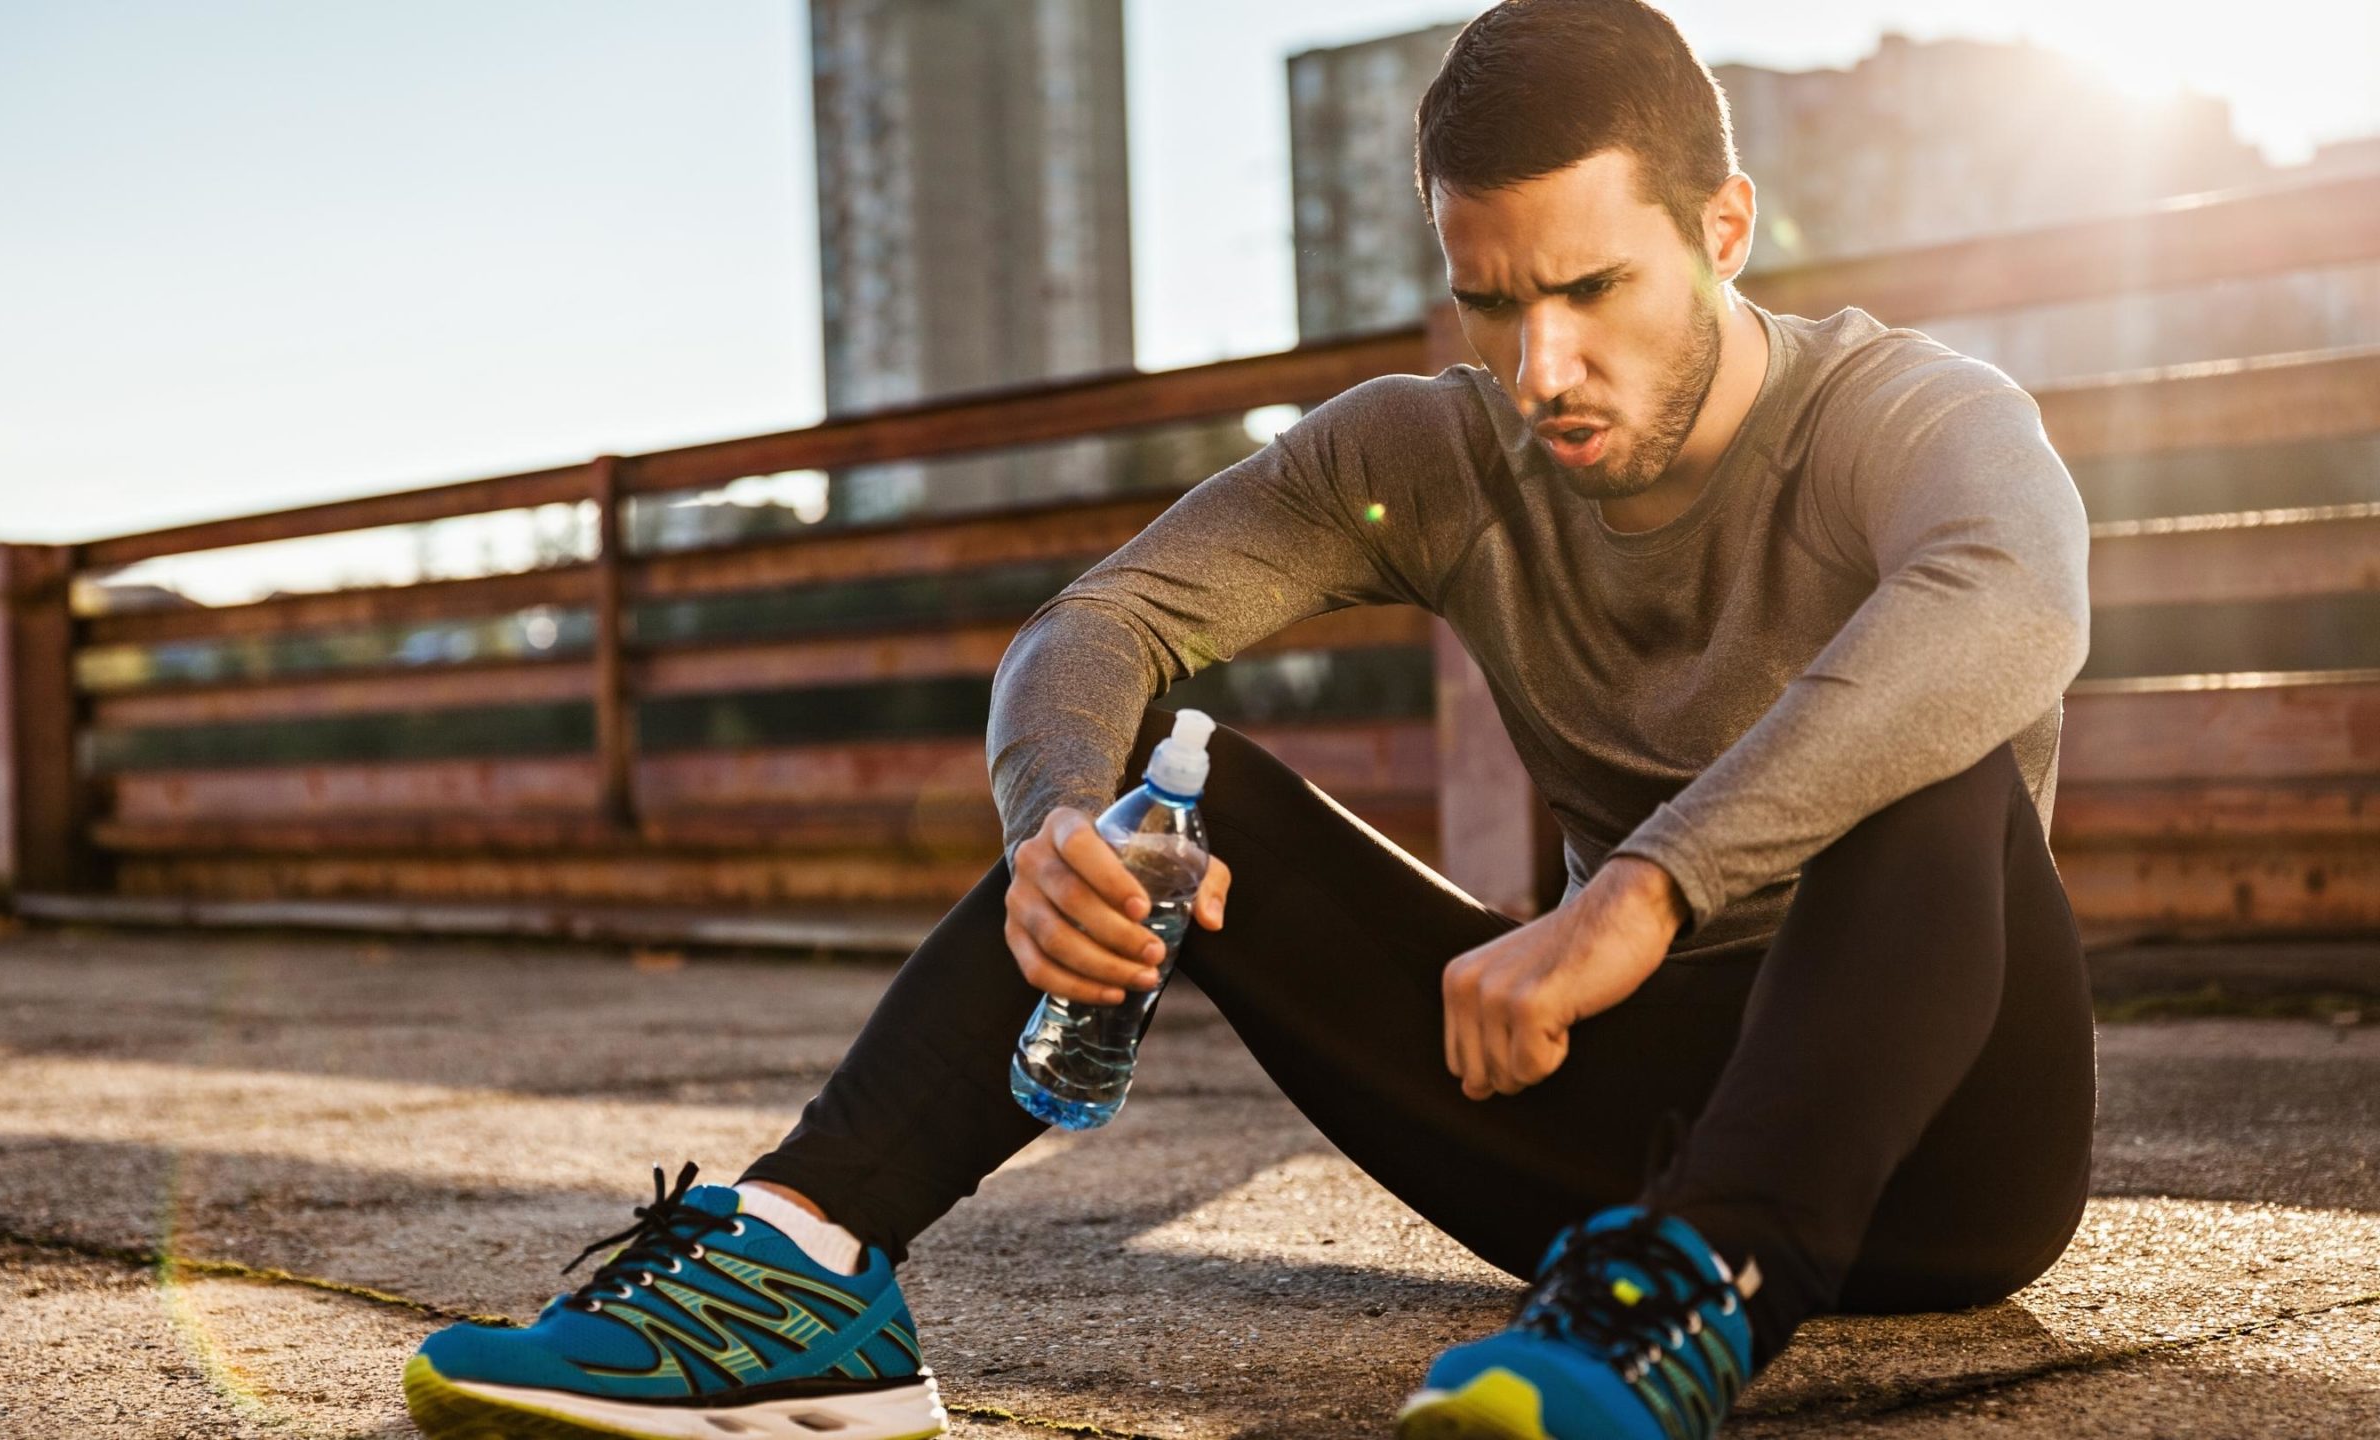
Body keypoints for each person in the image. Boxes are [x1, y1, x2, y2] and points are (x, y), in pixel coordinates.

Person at [401, 1, 2098, 1436]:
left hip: (1946, 1149)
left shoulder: (1903, 413)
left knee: (1931, 759)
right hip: (1609, 1152)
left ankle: (1699, 1300)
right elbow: (1103, 618)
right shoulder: (1426, 455)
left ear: (1726, 231)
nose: (1541, 369)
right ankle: (803, 1267)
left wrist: (1637, 895)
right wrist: (1052, 827)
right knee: (1175, 801)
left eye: (1592, 290)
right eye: (1493, 302)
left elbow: (2008, 600)